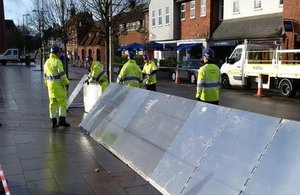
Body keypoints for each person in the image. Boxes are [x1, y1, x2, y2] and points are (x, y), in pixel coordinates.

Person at [44, 45, 70, 128]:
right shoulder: (57, 62)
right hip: (58, 86)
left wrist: (46, 85)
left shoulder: (47, 62)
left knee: (52, 103)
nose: (60, 54)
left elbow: (45, 76)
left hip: (50, 86)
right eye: (59, 52)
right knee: (62, 102)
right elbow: (62, 75)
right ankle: (62, 120)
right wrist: (66, 82)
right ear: (56, 53)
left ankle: (53, 121)